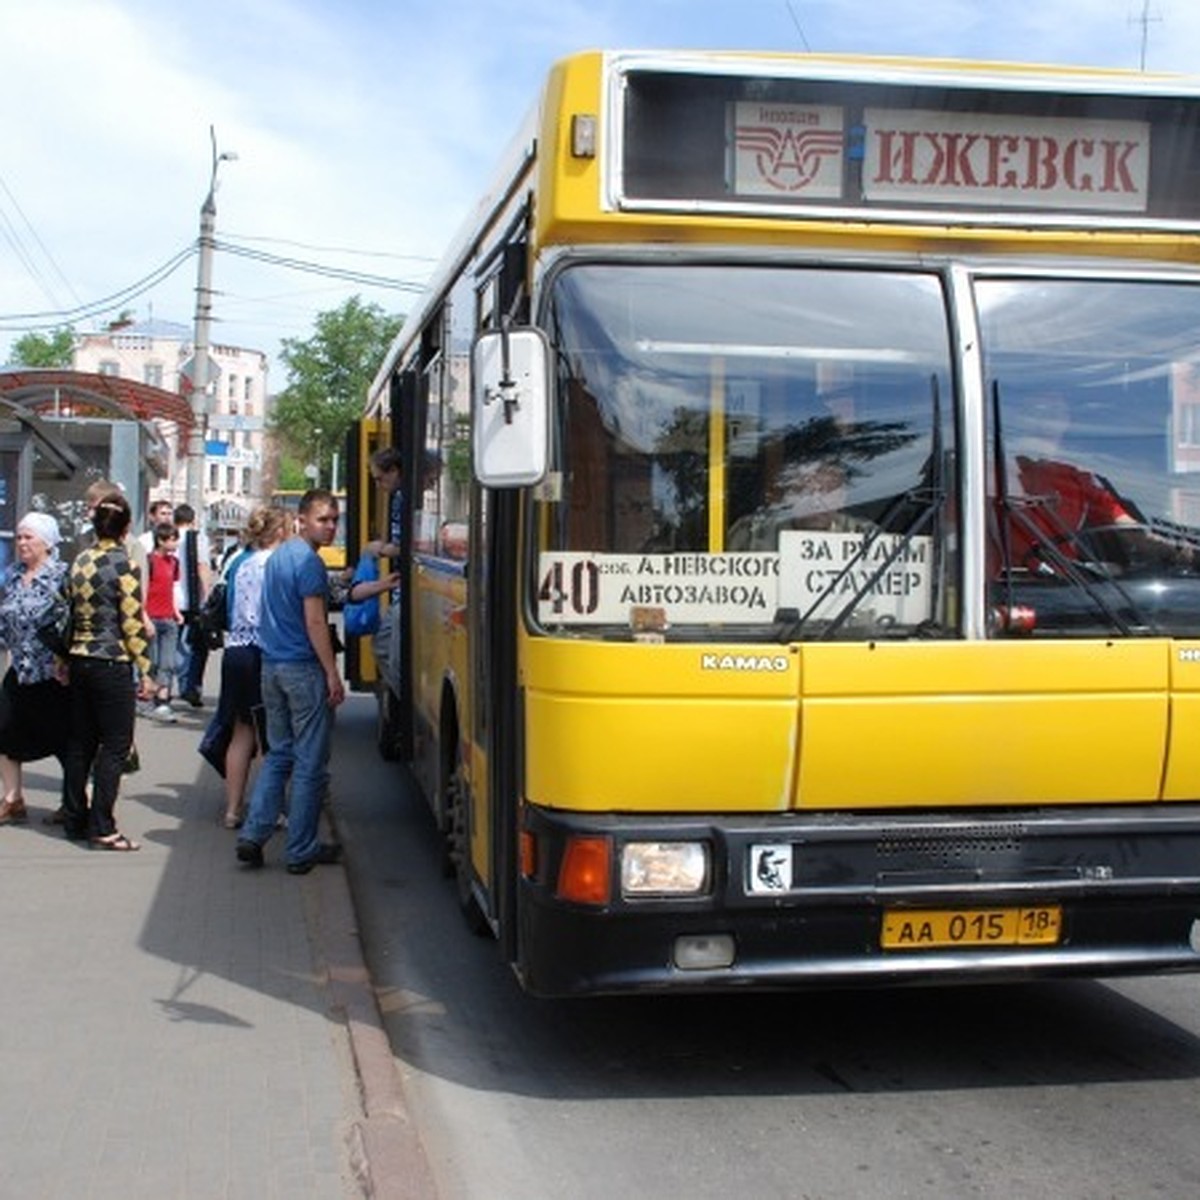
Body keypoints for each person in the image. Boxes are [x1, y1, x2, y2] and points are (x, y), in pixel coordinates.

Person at [235, 489, 346, 873]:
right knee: (310, 763)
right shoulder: (309, 564)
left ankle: (253, 834)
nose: (331, 526)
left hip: (271, 667)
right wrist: (332, 672)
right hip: (302, 669)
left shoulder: (279, 556)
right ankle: (300, 851)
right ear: (302, 519)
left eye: (334, 519)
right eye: (323, 519)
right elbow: (315, 622)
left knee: (278, 755)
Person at [62, 491, 155, 850]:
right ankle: (103, 826)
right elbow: (131, 623)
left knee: (79, 743)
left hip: (80, 658)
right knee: (115, 745)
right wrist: (145, 669)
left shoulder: (81, 560)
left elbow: (68, 611)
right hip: (111, 662)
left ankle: (74, 817)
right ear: (126, 527)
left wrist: (63, 658)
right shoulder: (124, 565)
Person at [202, 506, 289, 829]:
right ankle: (270, 810)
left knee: (241, 733)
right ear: (280, 532)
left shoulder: (242, 564)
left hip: (235, 653)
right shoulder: (277, 566)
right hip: (262, 653)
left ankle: (233, 809)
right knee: (271, 738)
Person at [0, 513, 71, 825]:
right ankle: (13, 798)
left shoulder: (61, 576)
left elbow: (71, 621)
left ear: (47, 541)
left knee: (65, 740)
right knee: (3, 731)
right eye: (19, 537)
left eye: (29, 537)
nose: (22, 543)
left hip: (54, 673)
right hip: (21, 669)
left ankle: (72, 801)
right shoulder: (12, 575)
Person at [144, 521, 183, 722]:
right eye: (172, 539)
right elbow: (143, 591)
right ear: (160, 540)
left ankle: (162, 700)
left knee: (168, 662)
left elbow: (172, 589)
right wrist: (143, 616)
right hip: (151, 617)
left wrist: (176, 611)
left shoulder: (174, 563)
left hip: (168, 617)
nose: (175, 543)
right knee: (152, 660)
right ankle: (147, 697)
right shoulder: (149, 561)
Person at [173, 503, 211, 707]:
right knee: (197, 645)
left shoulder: (163, 536)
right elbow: (202, 567)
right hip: (192, 600)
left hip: (169, 600)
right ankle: (189, 687)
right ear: (192, 519)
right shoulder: (198, 539)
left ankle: (163, 687)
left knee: (170, 644)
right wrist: (206, 596)